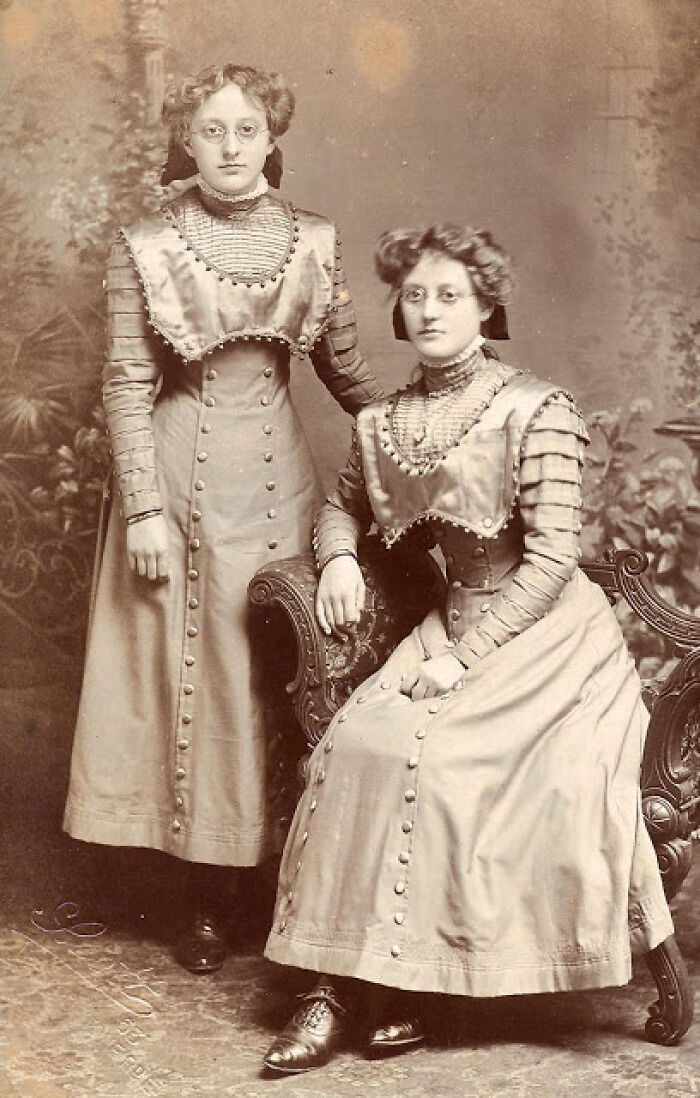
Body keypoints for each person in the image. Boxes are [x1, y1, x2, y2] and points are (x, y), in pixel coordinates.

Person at [261, 223, 676, 1072]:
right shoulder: (383, 419)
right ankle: (337, 990)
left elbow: (556, 558)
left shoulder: (536, 407)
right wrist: (338, 555)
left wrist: (464, 655)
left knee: (442, 760)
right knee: (355, 749)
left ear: (489, 305)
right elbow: (342, 503)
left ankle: (411, 988)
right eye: (415, 295)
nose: (430, 310)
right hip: (451, 621)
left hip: (550, 639)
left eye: (450, 294)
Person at [63, 63, 382, 973]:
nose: (231, 148)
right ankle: (203, 897)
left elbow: (349, 375)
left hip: (278, 475)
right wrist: (144, 512)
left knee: (266, 671)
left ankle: (272, 879)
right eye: (211, 131)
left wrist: (449, 423)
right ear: (187, 140)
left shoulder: (313, 240)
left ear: (271, 137)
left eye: (247, 130)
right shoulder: (145, 243)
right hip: (177, 478)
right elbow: (126, 384)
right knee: (191, 674)